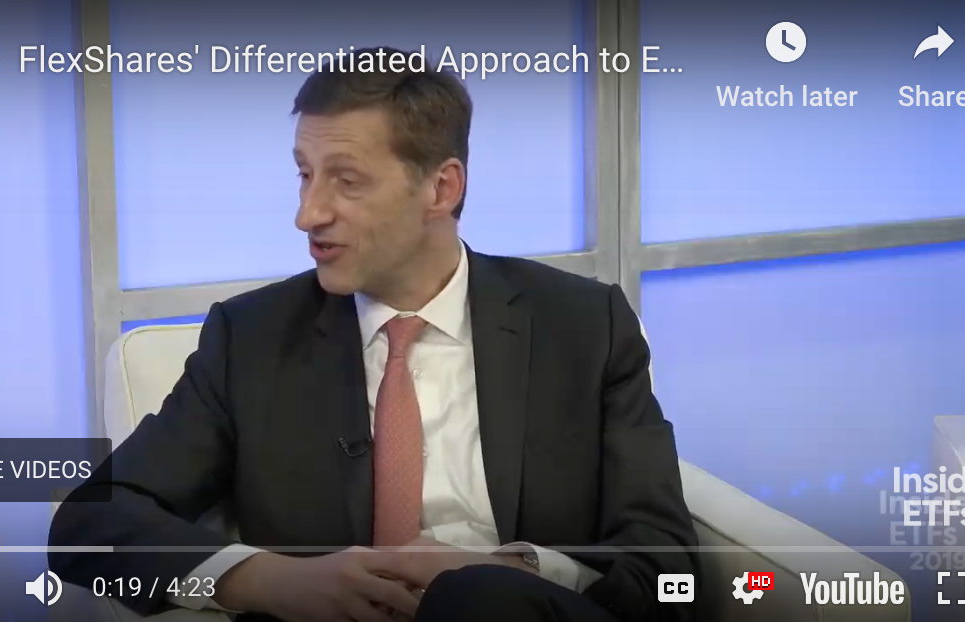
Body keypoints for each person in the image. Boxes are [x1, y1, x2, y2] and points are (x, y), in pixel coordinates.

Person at [49, 47, 699, 622]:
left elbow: (667, 568)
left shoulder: (583, 325)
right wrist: (273, 581)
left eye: (347, 180)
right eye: (305, 174)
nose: (308, 213)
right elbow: (89, 522)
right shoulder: (249, 339)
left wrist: (516, 571)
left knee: (478, 599)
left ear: (441, 188)